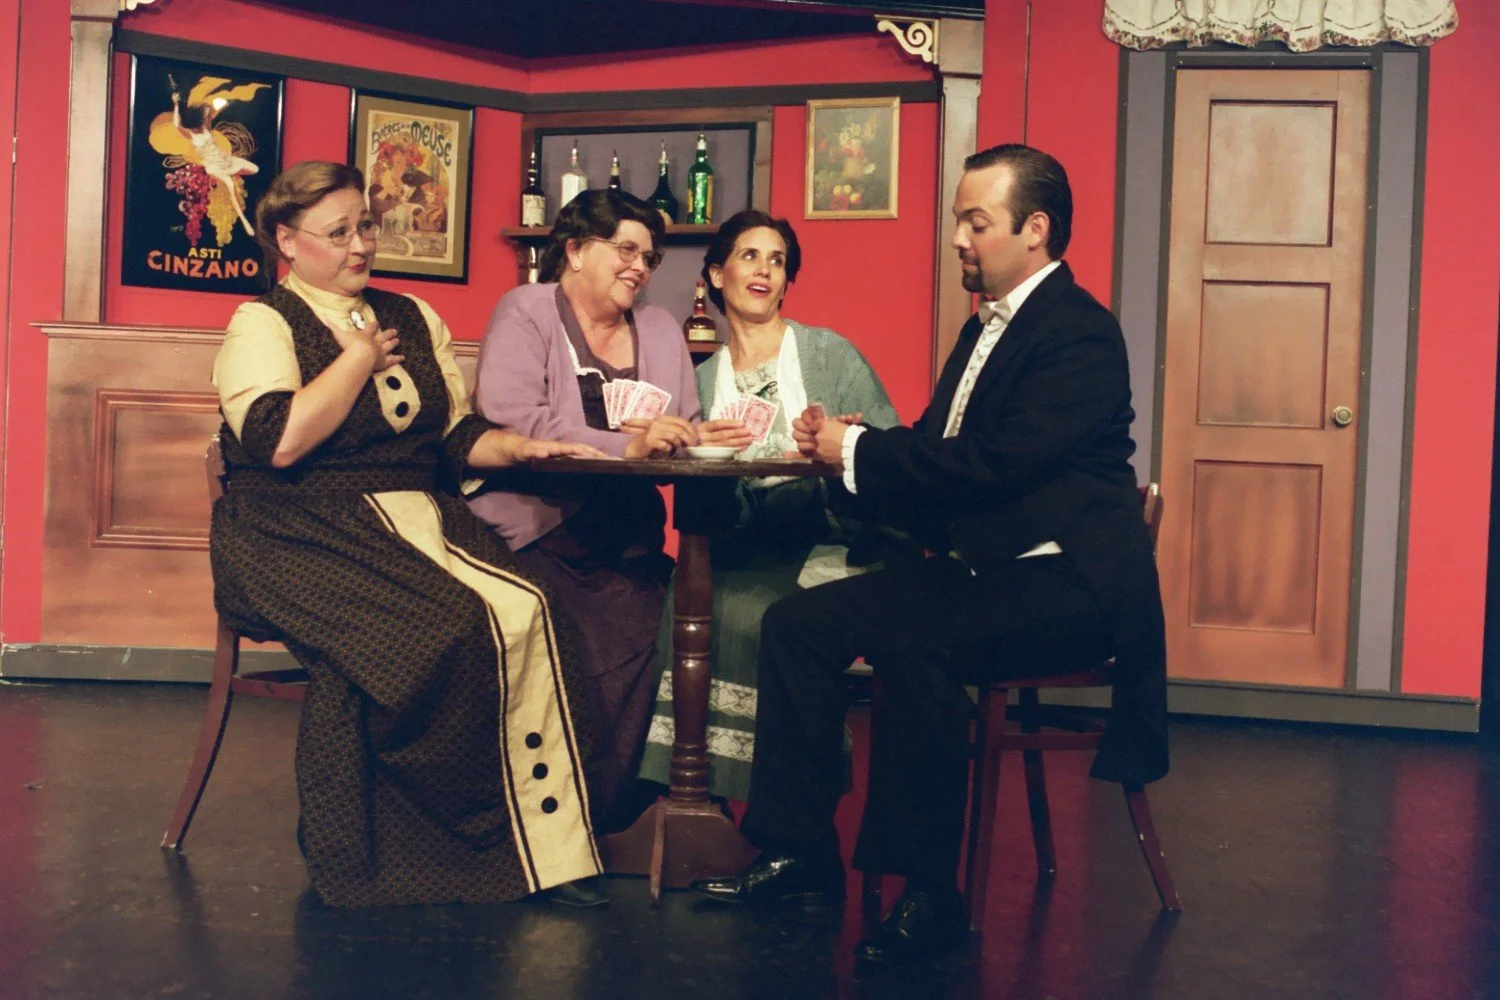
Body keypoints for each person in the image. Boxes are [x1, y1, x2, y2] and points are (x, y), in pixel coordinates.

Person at [691, 144, 1169, 966]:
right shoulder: (982, 327)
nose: (958, 238)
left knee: (918, 643)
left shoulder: (1080, 334)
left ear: (1035, 229)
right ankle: (800, 853)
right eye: (958, 221)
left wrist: (857, 452)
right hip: (989, 568)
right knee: (797, 624)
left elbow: (992, 465)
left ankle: (930, 897)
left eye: (976, 222)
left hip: (1071, 582)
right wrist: (855, 447)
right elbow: (940, 446)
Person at [209, 160, 607, 909]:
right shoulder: (263, 322)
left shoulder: (415, 315)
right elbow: (279, 441)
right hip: (297, 528)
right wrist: (359, 357)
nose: (362, 244)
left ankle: (543, 846)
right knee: (445, 630)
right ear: (287, 241)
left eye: (366, 225)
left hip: (417, 518)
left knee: (533, 608)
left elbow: (451, 437)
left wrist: (520, 447)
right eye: (338, 233)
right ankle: (438, 843)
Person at [468, 189, 751, 836]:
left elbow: (680, 421)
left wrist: (698, 438)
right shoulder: (527, 310)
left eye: (648, 257)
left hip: (626, 537)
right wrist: (628, 445)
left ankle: (628, 814)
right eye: (625, 249)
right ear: (574, 250)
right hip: (536, 530)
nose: (639, 267)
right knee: (592, 641)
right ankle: (561, 821)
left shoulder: (658, 328)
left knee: (678, 627)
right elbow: (514, 417)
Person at [637, 210, 902, 802]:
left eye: (777, 261)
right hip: (746, 544)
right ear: (715, 275)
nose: (764, 270)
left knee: (761, 615)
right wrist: (701, 450)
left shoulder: (829, 354)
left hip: (835, 536)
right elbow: (704, 504)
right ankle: (697, 799)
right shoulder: (701, 381)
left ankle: (786, 800)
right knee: (685, 600)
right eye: (750, 256)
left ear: (786, 281)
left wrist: (845, 442)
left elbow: (891, 455)